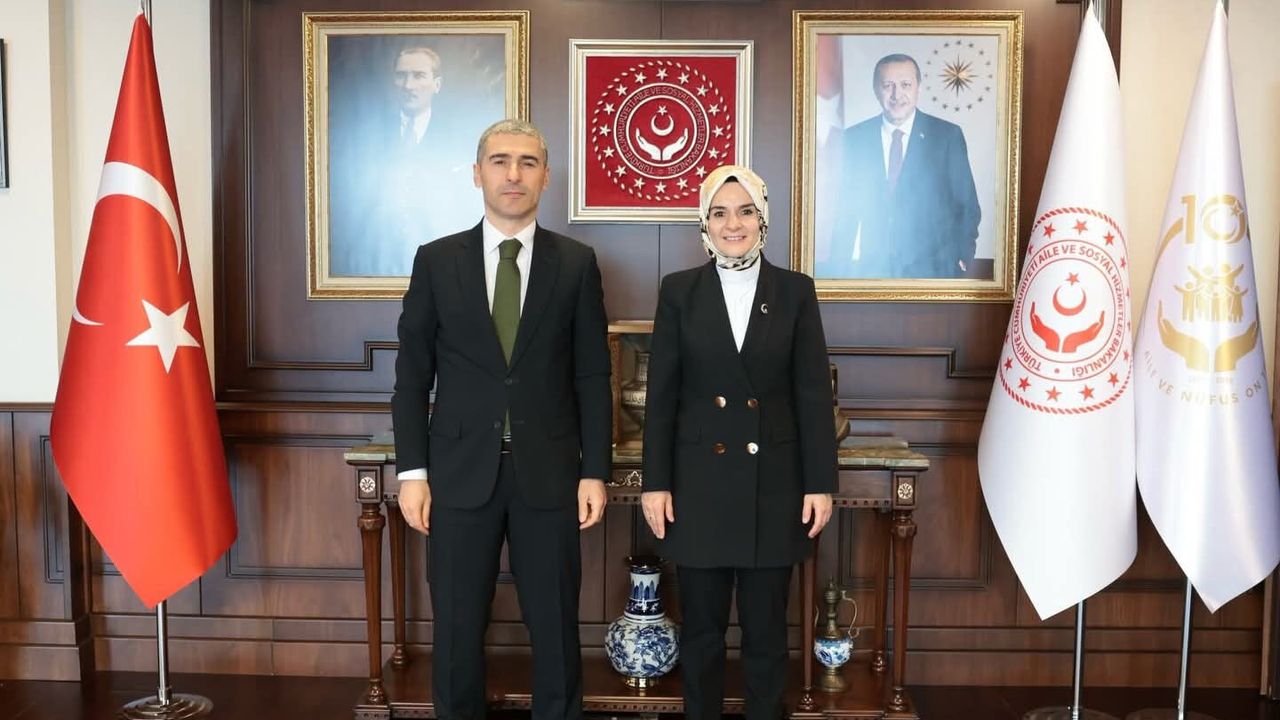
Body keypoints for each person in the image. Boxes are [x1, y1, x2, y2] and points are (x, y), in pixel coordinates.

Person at [392, 118, 612, 720]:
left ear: (546, 177)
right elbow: (412, 377)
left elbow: (593, 376)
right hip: (458, 475)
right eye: (500, 161)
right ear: (477, 173)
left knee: (556, 627)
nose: (513, 174)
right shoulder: (437, 261)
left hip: (551, 475)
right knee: (457, 627)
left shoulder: (577, 263)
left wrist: (594, 470)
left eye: (527, 162)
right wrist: (412, 473)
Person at [640, 165, 838, 720]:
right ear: (704, 223)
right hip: (698, 487)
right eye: (720, 213)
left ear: (762, 219)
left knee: (767, 633)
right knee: (702, 632)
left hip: (773, 487)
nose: (733, 224)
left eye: (746, 211)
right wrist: (655, 483)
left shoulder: (795, 291)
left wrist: (820, 483)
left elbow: (812, 395)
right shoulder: (679, 290)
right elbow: (663, 396)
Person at [818, 53, 981, 279]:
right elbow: (845, 212)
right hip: (873, 273)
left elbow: (967, 205)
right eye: (888, 86)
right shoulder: (855, 138)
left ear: (918, 88)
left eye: (905, 85)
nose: (896, 95)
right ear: (876, 90)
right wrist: (837, 272)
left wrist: (962, 256)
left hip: (935, 272)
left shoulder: (946, 136)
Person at [330, 45, 478, 277]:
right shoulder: (365, 137)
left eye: (418, 76)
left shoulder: (459, 140)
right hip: (373, 263)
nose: (408, 85)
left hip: (443, 268)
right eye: (401, 76)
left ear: (437, 85)